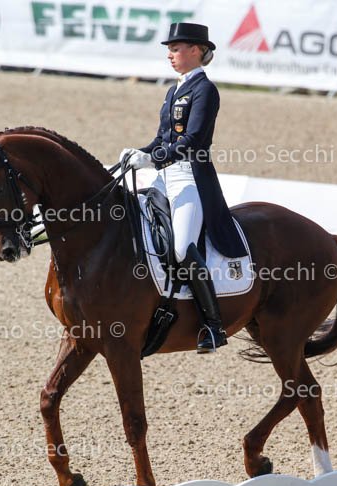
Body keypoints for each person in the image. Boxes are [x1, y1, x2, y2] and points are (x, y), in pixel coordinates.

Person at [120, 22, 248, 353]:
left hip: (191, 178)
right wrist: (139, 153)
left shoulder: (205, 90)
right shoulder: (174, 89)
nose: (170, 55)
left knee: (181, 249)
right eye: (169, 49)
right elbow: (162, 138)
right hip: (164, 177)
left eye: (175, 49)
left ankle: (214, 326)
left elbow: (193, 139)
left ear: (195, 50)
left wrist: (153, 158)